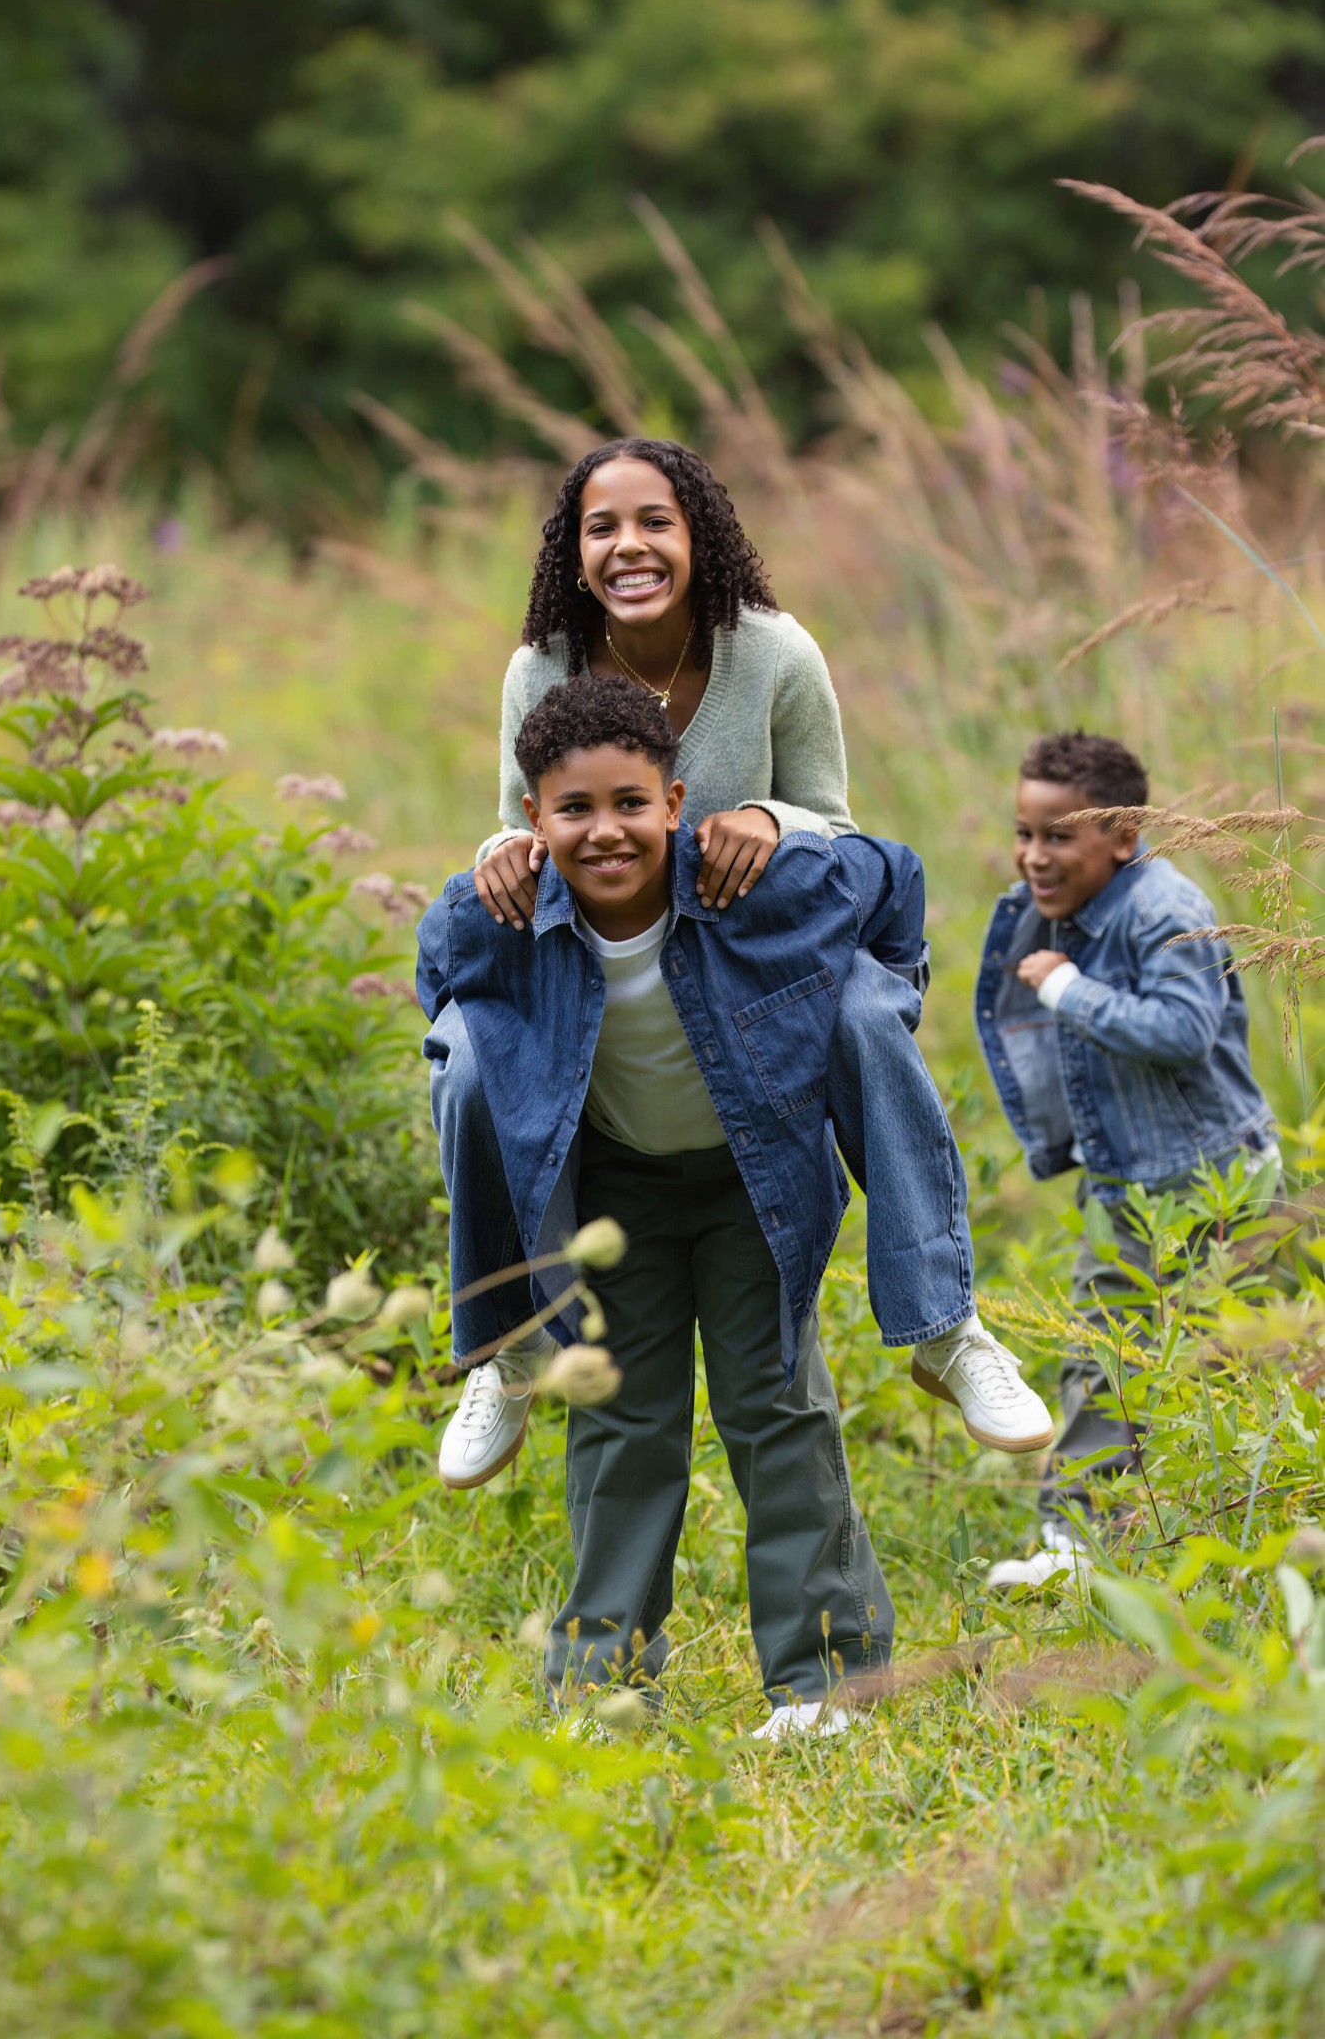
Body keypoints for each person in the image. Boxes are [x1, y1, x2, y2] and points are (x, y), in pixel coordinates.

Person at [416, 678, 1052, 1730]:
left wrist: (853, 1006)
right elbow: (442, 978)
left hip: (751, 1177)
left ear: (675, 801)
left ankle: (824, 1680)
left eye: (631, 803)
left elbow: (892, 882)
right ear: (531, 822)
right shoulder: (499, 910)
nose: (606, 831)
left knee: (776, 1410)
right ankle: (601, 1681)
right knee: (624, 1426)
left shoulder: (757, 882)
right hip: (616, 1188)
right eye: (574, 810)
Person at [429, 435, 1040, 1483]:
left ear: (697, 533)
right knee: (470, 1055)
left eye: (653, 521)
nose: (630, 545)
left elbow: (836, 823)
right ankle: (511, 1338)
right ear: (572, 552)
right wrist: (498, 852)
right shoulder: (540, 667)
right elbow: (519, 828)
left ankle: (946, 1325)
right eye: (602, 526)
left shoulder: (774, 653)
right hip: (605, 957)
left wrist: (767, 812)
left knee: (860, 1015)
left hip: (758, 951)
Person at [975, 731, 1279, 1587]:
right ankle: (1076, 1543)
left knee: (1228, 1349)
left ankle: (1247, 1528)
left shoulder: (1165, 910)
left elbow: (1184, 1032)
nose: (1034, 856)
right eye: (1024, 833)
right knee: (1099, 1351)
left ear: (1125, 834)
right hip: (1128, 1181)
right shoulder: (1061, 905)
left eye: (1057, 835)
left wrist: (1066, 988)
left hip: (1214, 1175)